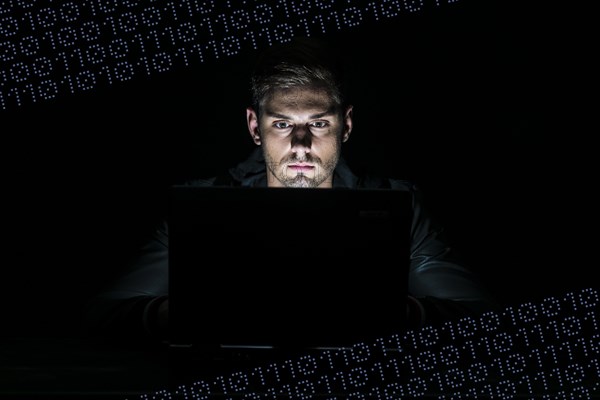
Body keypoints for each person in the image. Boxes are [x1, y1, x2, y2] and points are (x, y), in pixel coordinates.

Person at [84, 36, 499, 345]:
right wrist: (191, 313)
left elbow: (480, 316)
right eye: (282, 124)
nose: (301, 144)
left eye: (318, 124)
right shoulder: (200, 205)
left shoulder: (399, 204)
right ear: (254, 127)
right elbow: (104, 313)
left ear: (346, 126)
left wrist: (386, 311)